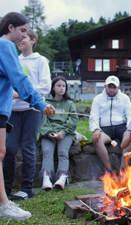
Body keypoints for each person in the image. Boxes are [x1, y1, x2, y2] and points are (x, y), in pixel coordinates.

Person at [0, 12, 54, 220]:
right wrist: (40, 103)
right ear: (10, 28)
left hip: (5, 109)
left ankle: (4, 201)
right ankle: (4, 204)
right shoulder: (6, 46)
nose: (24, 35)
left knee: (2, 152)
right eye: (22, 30)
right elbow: (19, 79)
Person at [89, 75, 131, 172]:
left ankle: (123, 169)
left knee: (130, 139)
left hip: (121, 127)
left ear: (118, 88)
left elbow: (130, 114)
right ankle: (109, 169)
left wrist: (129, 129)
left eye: (114, 87)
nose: (112, 89)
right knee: (96, 139)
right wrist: (96, 129)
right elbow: (94, 116)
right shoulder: (97, 99)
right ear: (105, 86)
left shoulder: (125, 98)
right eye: (109, 86)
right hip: (104, 129)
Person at [39, 76, 78, 190]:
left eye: (64, 86)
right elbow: (43, 121)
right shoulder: (46, 103)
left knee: (62, 151)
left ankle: (62, 177)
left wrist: (63, 132)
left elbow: (73, 120)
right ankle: (46, 177)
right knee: (47, 151)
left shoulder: (70, 103)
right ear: (53, 87)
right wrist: (50, 132)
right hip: (49, 132)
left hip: (65, 133)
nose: (61, 88)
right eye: (59, 85)